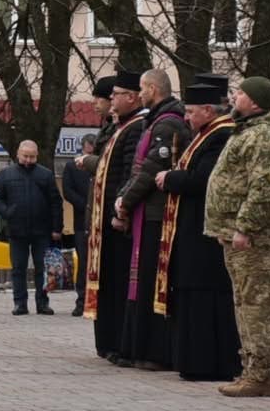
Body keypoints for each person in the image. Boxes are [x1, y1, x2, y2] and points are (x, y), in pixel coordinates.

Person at [202, 75, 270, 398]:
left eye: (239, 93)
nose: (234, 97)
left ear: (253, 101)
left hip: (255, 239)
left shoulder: (265, 135)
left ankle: (261, 372)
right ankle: (251, 368)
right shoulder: (248, 131)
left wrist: (246, 227)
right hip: (235, 235)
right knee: (245, 303)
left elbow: (264, 187)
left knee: (257, 306)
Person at [152, 75, 239, 383]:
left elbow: (204, 180)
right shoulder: (206, 134)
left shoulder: (220, 136)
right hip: (193, 231)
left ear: (208, 109)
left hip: (206, 236)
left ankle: (209, 362)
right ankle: (193, 360)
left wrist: (170, 179)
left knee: (208, 298)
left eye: (190, 112)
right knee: (192, 295)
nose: (185, 118)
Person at [114, 68, 188, 369]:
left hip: (157, 214)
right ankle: (137, 346)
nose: (140, 93)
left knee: (150, 281)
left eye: (142, 89)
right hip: (147, 212)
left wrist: (125, 202)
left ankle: (154, 350)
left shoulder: (168, 123)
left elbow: (148, 170)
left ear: (154, 89)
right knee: (139, 280)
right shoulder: (154, 121)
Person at [82, 73, 146, 363]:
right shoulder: (117, 127)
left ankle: (119, 342)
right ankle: (108, 341)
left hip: (117, 219)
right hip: (102, 219)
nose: (109, 101)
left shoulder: (135, 127)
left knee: (119, 283)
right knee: (107, 283)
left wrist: (120, 208)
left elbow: (127, 173)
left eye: (116, 94)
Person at [0, 138, 63, 315]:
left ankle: (42, 303)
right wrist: (7, 212)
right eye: (25, 156)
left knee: (42, 268)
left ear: (37, 156)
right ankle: (20, 303)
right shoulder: (6, 174)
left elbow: (55, 202)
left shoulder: (45, 174)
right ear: (18, 154)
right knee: (18, 268)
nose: (28, 160)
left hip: (42, 229)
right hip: (17, 229)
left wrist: (57, 228)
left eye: (32, 157)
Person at [62, 132, 95, 293]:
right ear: (83, 149)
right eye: (88, 153)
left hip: (99, 221)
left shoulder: (99, 165)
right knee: (83, 261)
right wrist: (86, 205)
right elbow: (68, 191)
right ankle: (81, 298)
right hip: (82, 222)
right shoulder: (72, 166)